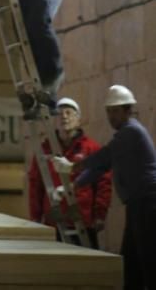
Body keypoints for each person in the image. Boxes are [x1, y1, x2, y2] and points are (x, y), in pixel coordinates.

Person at [53, 85, 156, 290]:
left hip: (148, 202)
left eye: (115, 111)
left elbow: (104, 156)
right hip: (137, 203)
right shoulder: (126, 133)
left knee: (148, 258)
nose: (111, 116)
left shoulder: (131, 131)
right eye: (109, 111)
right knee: (132, 259)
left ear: (128, 110)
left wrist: (72, 166)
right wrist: (73, 185)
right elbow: (101, 167)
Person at [28, 96, 111, 249]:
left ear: (78, 119)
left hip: (83, 221)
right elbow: (35, 183)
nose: (64, 117)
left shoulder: (91, 149)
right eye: (59, 114)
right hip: (54, 221)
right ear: (54, 120)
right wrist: (35, 215)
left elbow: (103, 183)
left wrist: (99, 215)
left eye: (68, 113)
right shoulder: (45, 150)